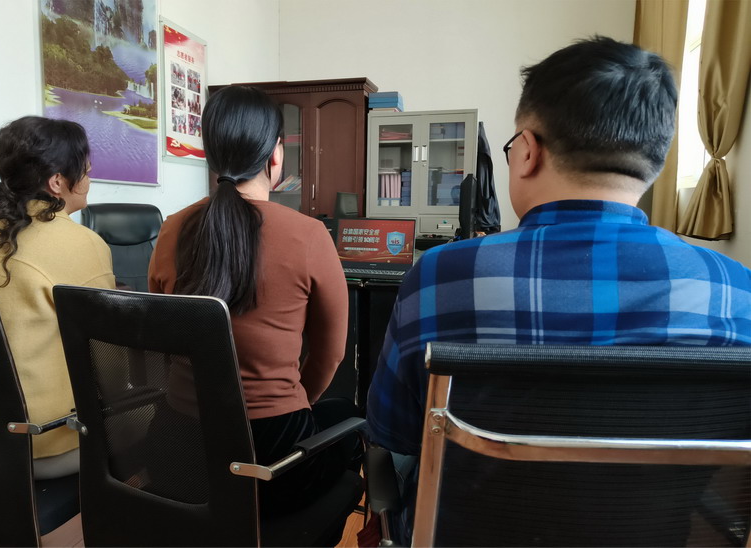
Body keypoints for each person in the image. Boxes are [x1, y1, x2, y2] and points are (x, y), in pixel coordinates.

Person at [366, 35, 751, 543]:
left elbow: (392, 436)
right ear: (654, 160)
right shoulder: (736, 291)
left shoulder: (441, 276)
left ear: (527, 151)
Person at [147, 86, 358, 520]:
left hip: (178, 452)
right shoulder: (309, 235)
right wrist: (294, 404)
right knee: (348, 420)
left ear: (211, 155)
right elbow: (331, 355)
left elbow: (161, 338)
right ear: (275, 156)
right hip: (271, 462)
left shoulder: (171, 229)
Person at [0, 115, 116, 478]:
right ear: (58, 181)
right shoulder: (83, 244)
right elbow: (110, 362)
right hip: (48, 446)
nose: (89, 178)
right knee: (162, 420)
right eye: (85, 170)